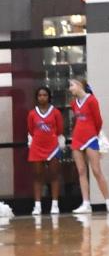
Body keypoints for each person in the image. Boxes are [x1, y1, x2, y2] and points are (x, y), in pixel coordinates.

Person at [68, 75, 109, 214]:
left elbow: (98, 121)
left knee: (96, 171)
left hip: (90, 138)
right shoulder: (73, 103)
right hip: (77, 138)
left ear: (79, 85)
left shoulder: (92, 100)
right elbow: (77, 121)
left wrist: (93, 135)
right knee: (81, 172)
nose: (70, 88)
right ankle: (86, 204)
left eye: (72, 85)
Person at [27, 86, 63, 215]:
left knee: (54, 175)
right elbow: (31, 130)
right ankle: (37, 206)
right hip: (37, 147)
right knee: (38, 176)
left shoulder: (56, 112)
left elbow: (60, 130)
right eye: (40, 95)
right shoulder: (32, 113)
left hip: (52, 147)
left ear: (49, 97)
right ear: (36, 98)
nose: (42, 97)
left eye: (45, 95)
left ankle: (55, 205)